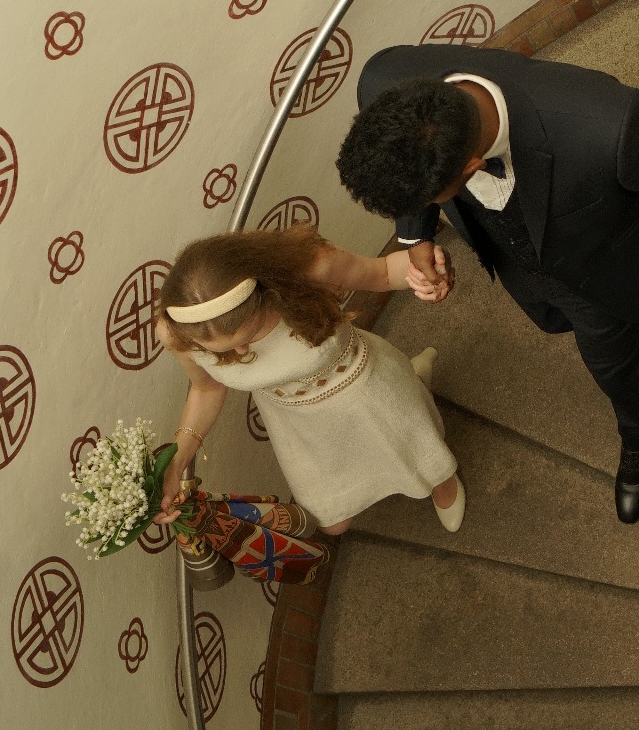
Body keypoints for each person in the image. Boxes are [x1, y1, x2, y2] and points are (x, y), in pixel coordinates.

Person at [336, 46, 639, 525]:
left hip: (603, 263)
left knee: (616, 366)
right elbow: (410, 171)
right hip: (521, 262)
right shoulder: (382, 78)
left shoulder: (610, 125)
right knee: (561, 317)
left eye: (431, 199)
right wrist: (416, 233)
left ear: (471, 167)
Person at [152, 225, 464, 536]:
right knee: (334, 523)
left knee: (424, 459)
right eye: (220, 351)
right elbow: (208, 388)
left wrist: (430, 271)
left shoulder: (310, 269)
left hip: (367, 392)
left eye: (248, 335)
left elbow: (383, 272)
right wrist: (176, 463)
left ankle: (443, 480)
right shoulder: (173, 332)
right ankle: (419, 381)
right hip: (298, 428)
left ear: (267, 294)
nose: (243, 353)